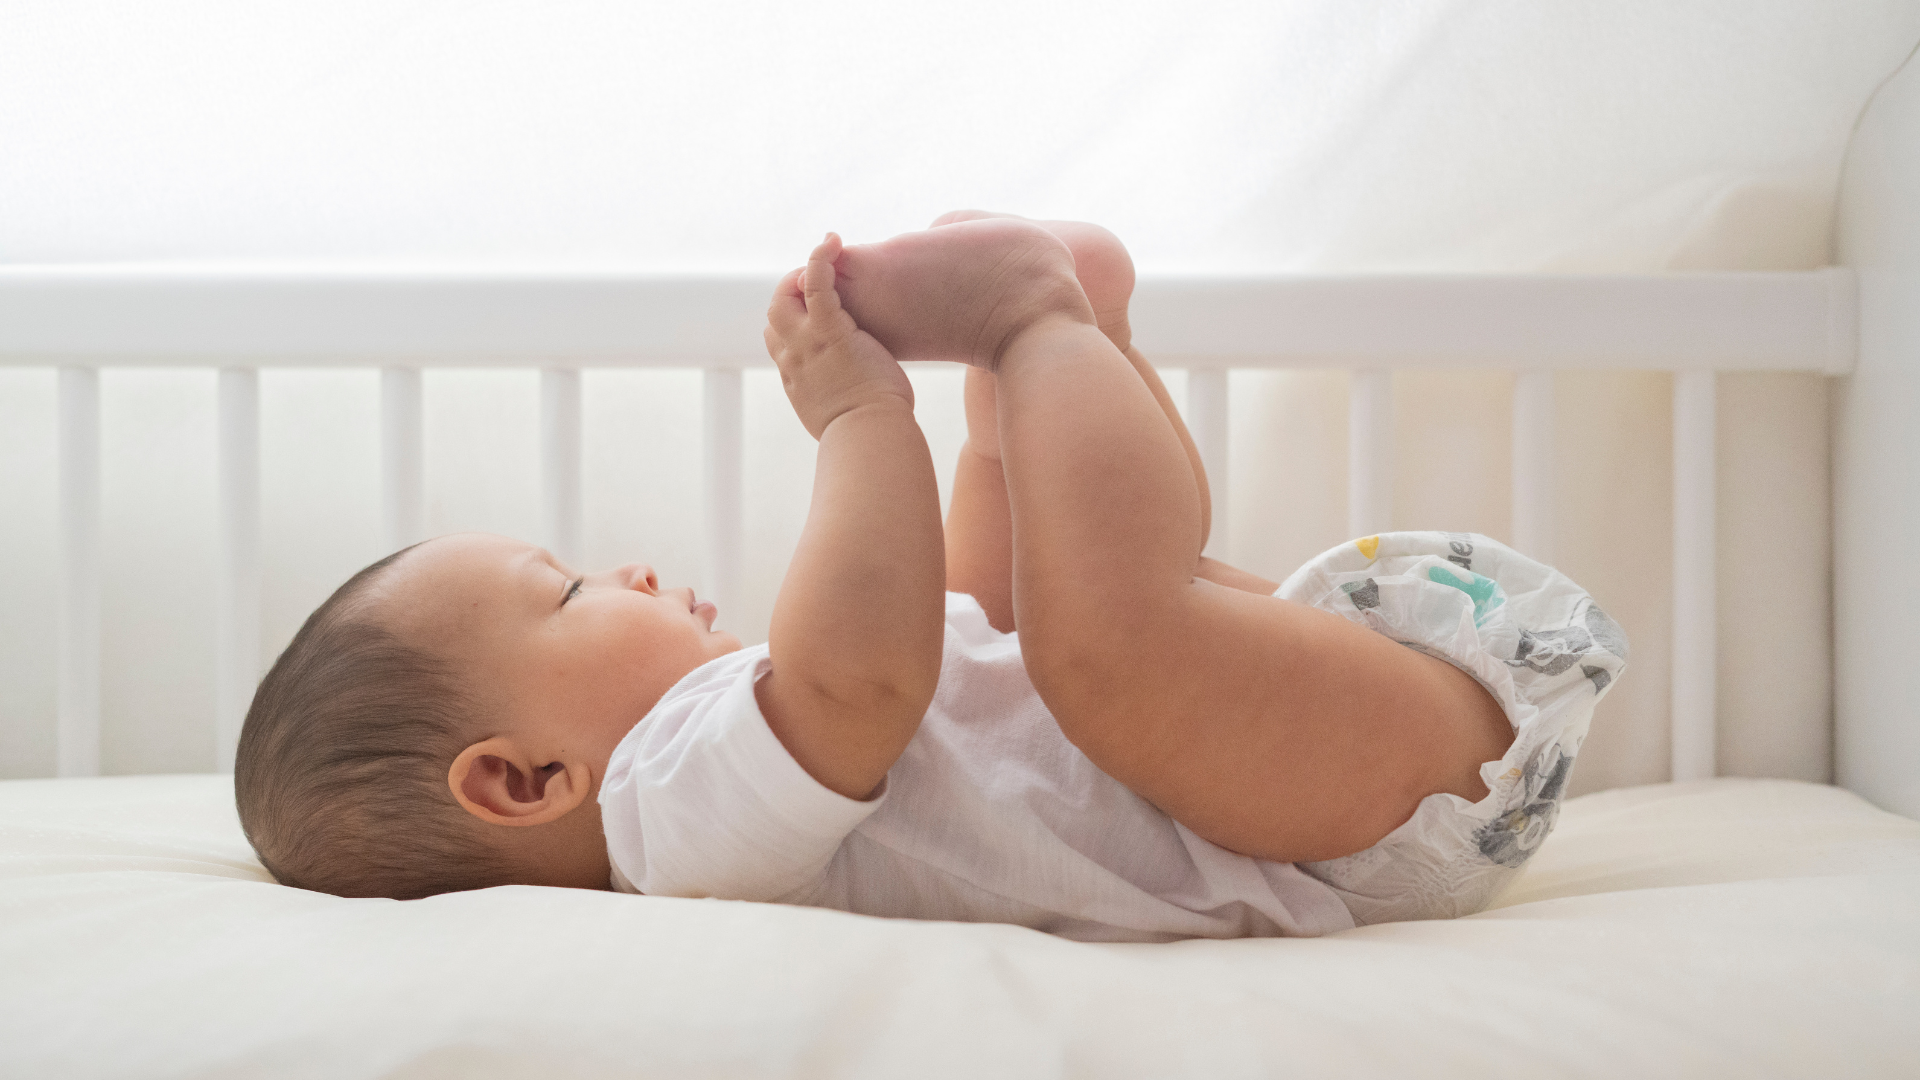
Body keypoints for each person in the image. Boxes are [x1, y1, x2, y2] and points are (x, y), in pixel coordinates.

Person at [234, 214, 1625, 940]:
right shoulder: (666, 825)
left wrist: (981, 449)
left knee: (1049, 613)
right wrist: (857, 416)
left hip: (1317, 758)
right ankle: (1038, 322)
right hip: (1332, 825)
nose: (632, 569)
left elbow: (959, 629)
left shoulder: (734, 784)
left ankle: (1059, 343)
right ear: (527, 781)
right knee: (1110, 652)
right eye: (571, 592)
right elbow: (870, 669)